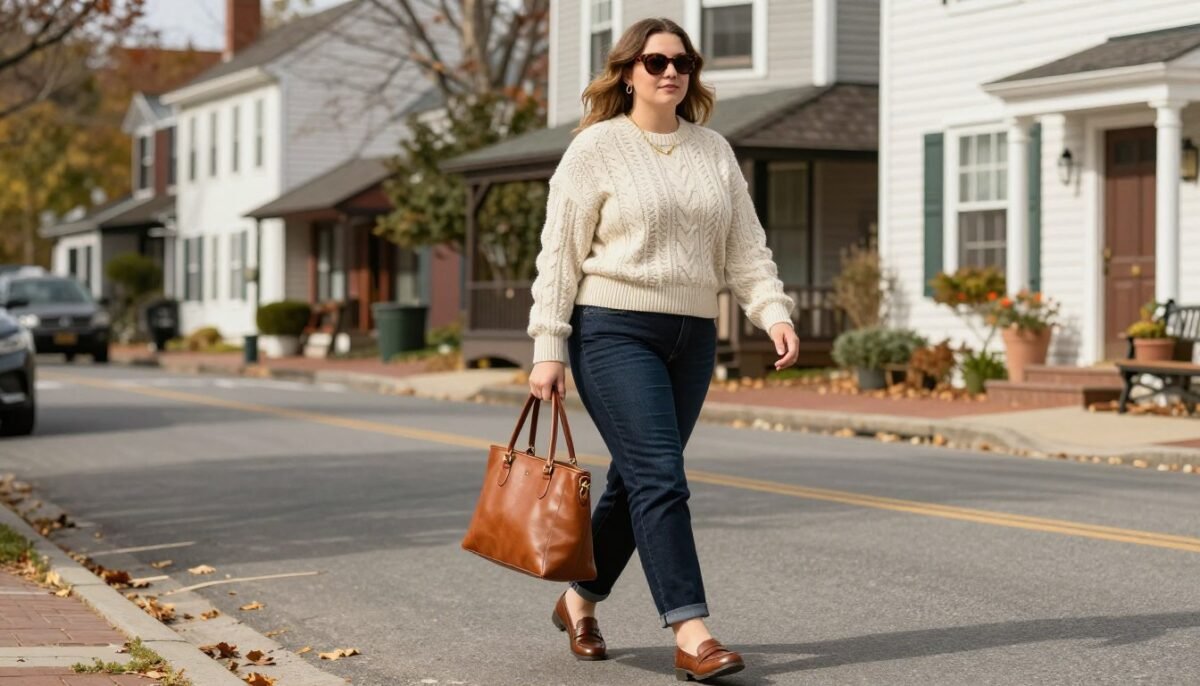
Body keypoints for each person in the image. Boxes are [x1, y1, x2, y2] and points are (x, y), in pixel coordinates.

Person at [526, 16, 800, 683]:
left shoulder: (714, 151)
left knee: (636, 481)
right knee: (661, 479)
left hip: (691, 336)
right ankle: (692, 630)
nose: (671, 71)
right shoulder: (595, 150)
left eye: (683, 62)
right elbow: (559, 255)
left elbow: (745, 246)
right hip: (612, 330)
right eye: (655, 62)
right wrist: (548, 346)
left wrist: (772, 311)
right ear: (628, 73)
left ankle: (579, 601)